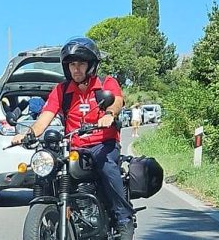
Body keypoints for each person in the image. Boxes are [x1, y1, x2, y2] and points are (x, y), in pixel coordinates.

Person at [11, 37, 135, 240]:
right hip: (74, 147)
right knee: (49, 168)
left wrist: (109, 115)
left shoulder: (106, 83)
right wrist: (28, 134)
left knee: (107, 167)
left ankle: (123, 220)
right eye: (72, 65)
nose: (76, 69)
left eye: (81, 64)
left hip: (103, 143)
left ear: (91, 65)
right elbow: (45, 117)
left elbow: (117, 101)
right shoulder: (62, 90)